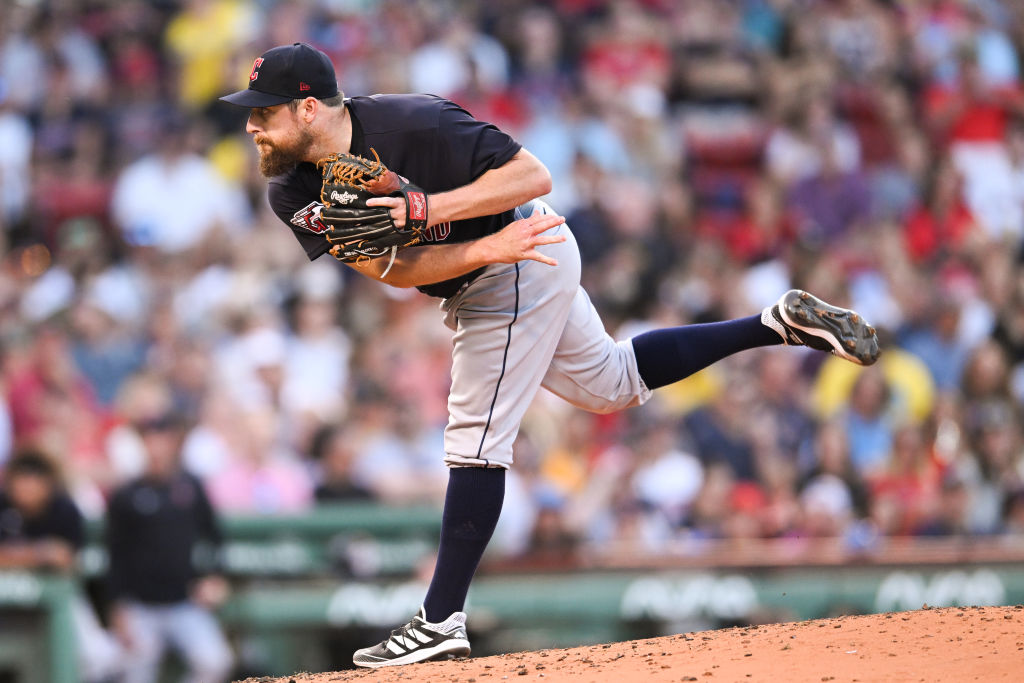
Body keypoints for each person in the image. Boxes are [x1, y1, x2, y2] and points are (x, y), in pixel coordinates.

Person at [220, 42, 880, 668]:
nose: (253, 125)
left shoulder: (408, 124)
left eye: (264, 111)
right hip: (491, 262)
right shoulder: (290, 189)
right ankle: (777, 323)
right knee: (613, 381)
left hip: (525, 243)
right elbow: (387, 265)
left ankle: (440, 618)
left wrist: (430, 208)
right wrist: (474, 249)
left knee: (475, 433)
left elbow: (533, 174)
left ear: (309, 108)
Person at [105, 414, 233, 683]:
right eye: (150, 440)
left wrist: (215, 577)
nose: (157, 448)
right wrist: (118, 608)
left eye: (163, 440)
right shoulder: (125, 495)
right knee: (135, 673)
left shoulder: (191, 486)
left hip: (185, 603)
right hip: (140, 607)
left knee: (216, 661)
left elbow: (215, 537)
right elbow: (115, 554)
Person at [0, 450, 121, 682]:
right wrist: (39, 553)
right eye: (21, 479)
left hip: (60, 602)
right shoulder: (3, 505)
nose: (26, 487)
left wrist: (17, 556)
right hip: (7, 606)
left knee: (99, 656)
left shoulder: (63, 508)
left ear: (48, 483)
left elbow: (67, 559)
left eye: (33, 480)